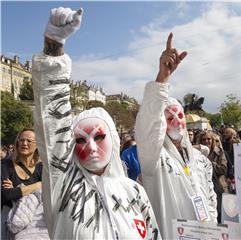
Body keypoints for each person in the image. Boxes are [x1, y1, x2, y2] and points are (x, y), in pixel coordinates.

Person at [32, 7, 160, 239]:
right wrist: (54, 47)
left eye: (99, 137)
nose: (90, 147)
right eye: (80, 140)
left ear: (113, 139)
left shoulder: (134, 192)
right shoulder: (64, 186)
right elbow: (51, 124)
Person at [135, 33, 217, 239]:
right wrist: (163, 78)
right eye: (168, 116)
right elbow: (148, 125)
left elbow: (211, 199)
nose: (177, 120)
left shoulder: (200, 160)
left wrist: (213, 229)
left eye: (180, 115)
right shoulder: (153, 158)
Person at [1, 128, 45, 240]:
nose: (24, 143)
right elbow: (5, 195)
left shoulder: (41, 168)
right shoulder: (5, 165)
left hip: (36, 228)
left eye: (29, 141)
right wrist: (38, 185)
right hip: (10, 224)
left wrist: (16, 190)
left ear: (37, 145)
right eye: (21, 140)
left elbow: (48, 194)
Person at [199, 131, 228, 223]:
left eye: (209, 139)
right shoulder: (197, 154)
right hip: (204, 188)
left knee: (220, 217)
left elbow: (223, 169)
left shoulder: (219, 152)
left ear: (212, 140)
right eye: (204, 139)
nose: (206, 141)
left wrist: (209, 163)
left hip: (218, 188)